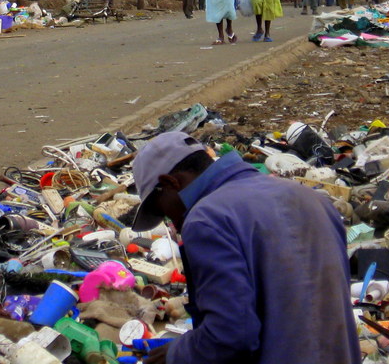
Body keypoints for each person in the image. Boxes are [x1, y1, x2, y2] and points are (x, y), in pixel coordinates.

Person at [131, 132, 361, 364]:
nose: (172, 223)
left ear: (170, 183)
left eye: (163, 211)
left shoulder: (206, 219)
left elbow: (231, 335)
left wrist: (176, 354)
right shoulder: (312, 199)